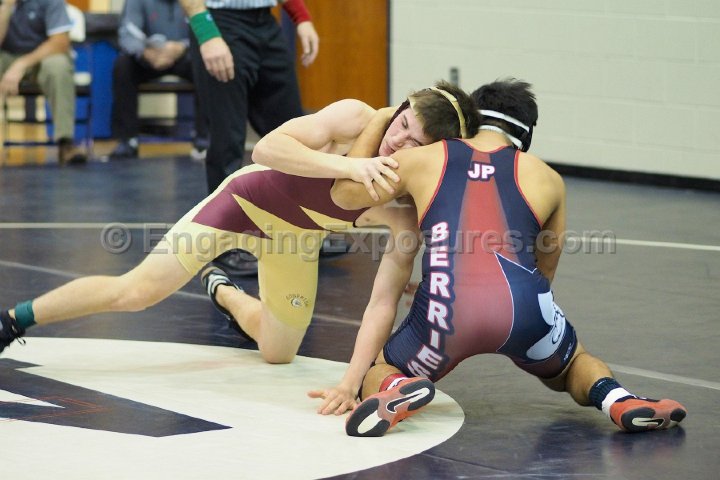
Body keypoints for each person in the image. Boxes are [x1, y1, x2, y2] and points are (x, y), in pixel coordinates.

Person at [0, 82, 479, 368]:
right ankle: (15, 318)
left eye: (415, 143)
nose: (398, 142)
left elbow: (410, 251)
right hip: (245, 204)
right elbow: (266, 148)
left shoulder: (405, 191)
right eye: (402, 125)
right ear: (399, 110)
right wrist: (349, 166)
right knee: (137, 292)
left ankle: (224, 292)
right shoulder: (355, 118)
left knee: (277, 353)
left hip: (296, 241)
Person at [324, 78, 687, 436]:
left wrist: (378, 120)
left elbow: (344, 194)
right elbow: (544, 270)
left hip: (446, 312)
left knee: (380, 369)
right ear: (524, 136)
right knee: (571, 363)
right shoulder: (548, 177)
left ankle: (397, 388)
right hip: (523, 309)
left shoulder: (424, 158)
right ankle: (617, 399)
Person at [178, 0, 319, 275]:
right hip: (218, 22)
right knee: (227, 139)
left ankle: (302, 230)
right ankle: (223, 242)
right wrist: (206, 32)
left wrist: (300, 16)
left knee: (293, 134)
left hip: (266, 22)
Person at [106, 0, 209, 161]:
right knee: (123, 66)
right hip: (149, 56)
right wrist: (145, 52)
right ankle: (127, 140)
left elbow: (205, 29)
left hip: (185, 55)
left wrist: (182, 47)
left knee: (207, 65)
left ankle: (204, 139)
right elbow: (128, 32)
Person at [0, 0, 86, 164]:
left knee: (59, 67)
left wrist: (21, 64)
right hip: (7, 56)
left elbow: (60, 42)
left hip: (43, 56)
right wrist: (5, 8)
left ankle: (65, 142)